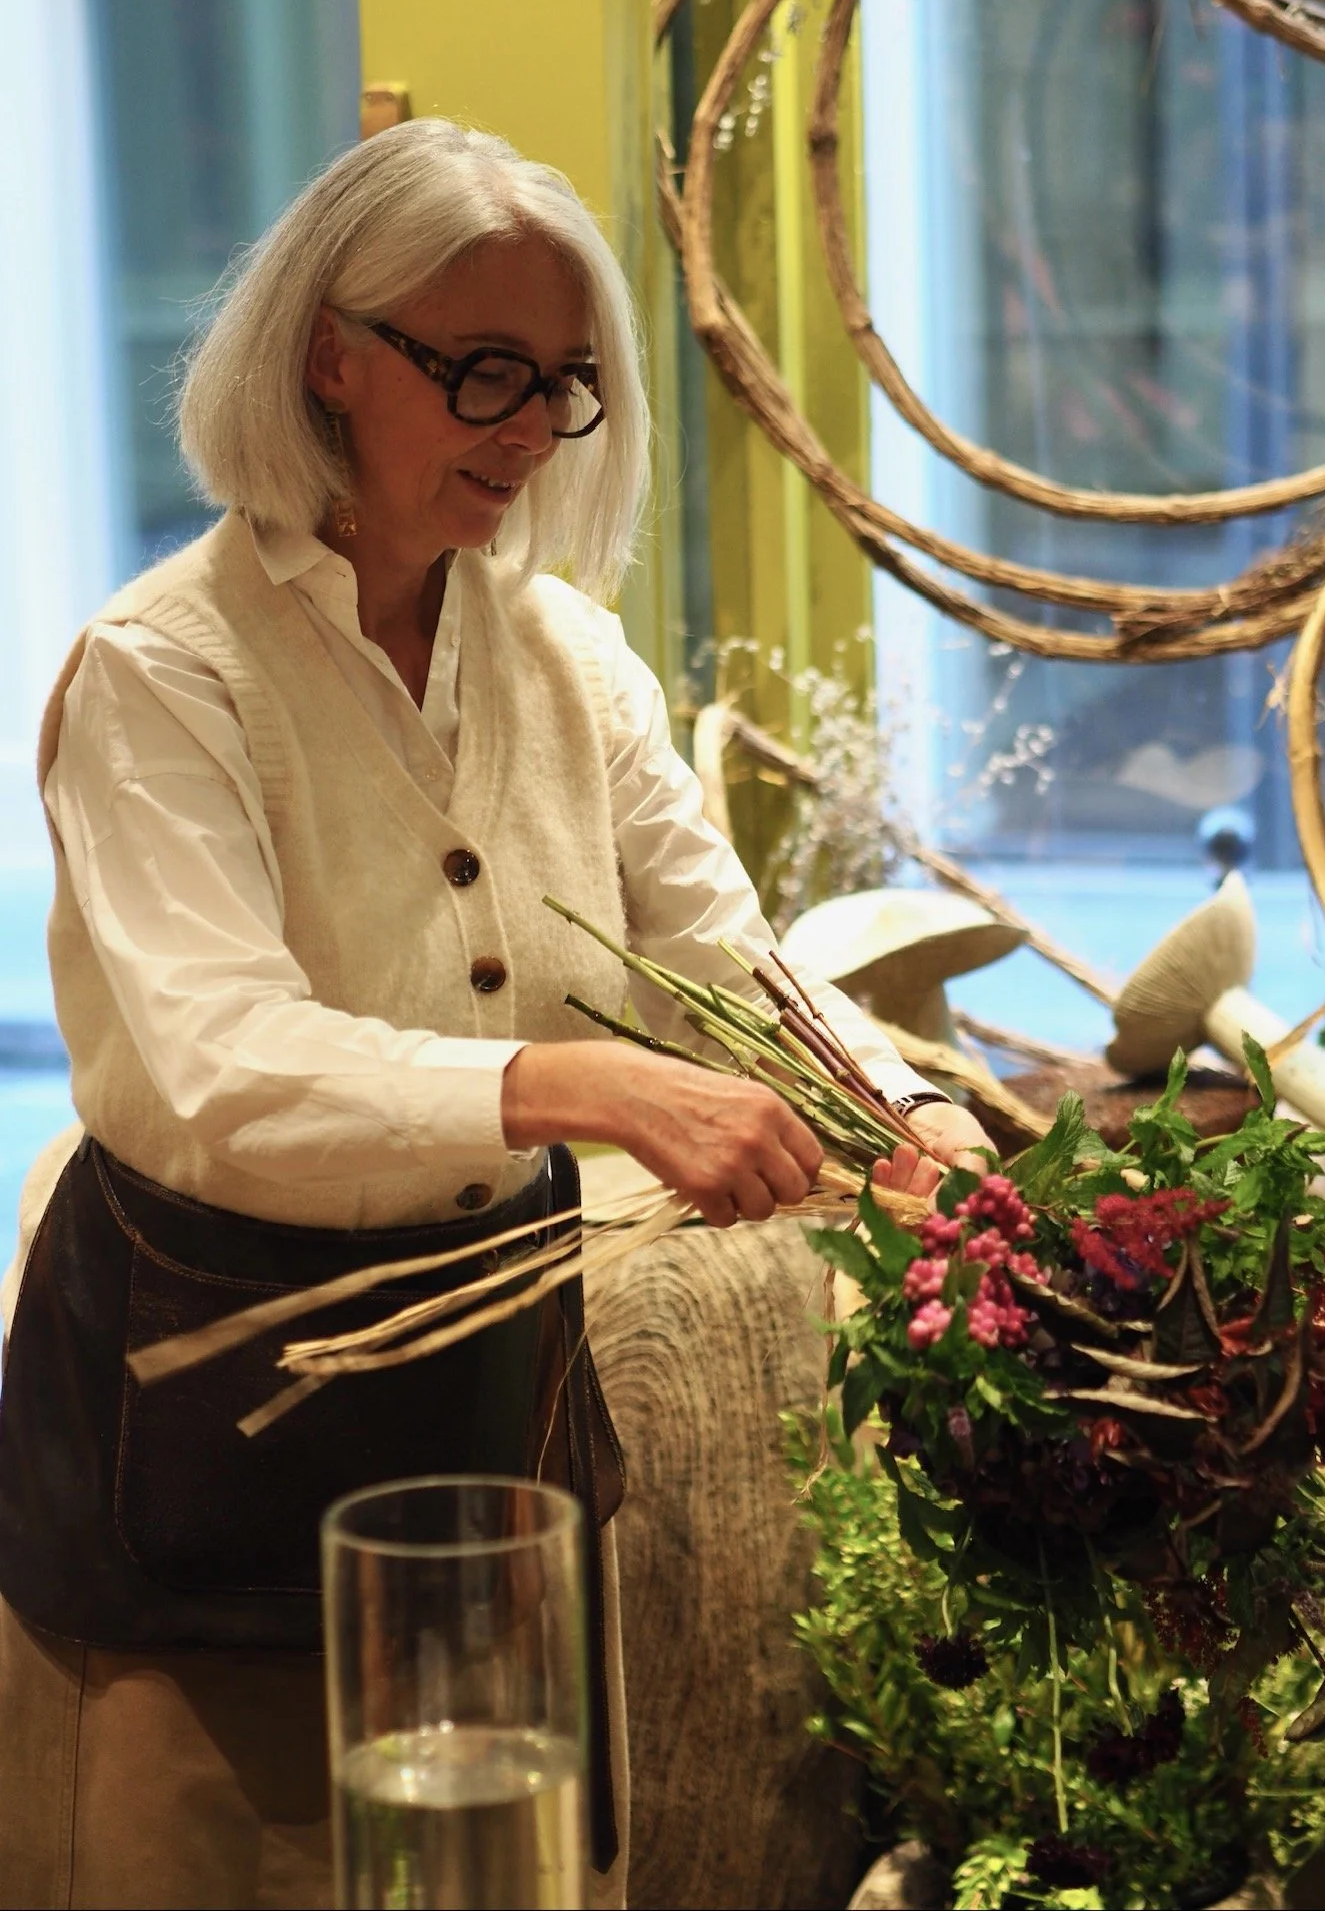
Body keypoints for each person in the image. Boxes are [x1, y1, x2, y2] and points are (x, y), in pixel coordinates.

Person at [0, 119, 991, 1911]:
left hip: (489, 1392)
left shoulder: (563, 656)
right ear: (328, 354)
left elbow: (728, 964)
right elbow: (231, 1073)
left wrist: (908, 1128)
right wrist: (581, 1084)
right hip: (206, 1401)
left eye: (562, 385)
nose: (530, 430)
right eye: (480, 372)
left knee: (502, 1873)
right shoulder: (162, 675)